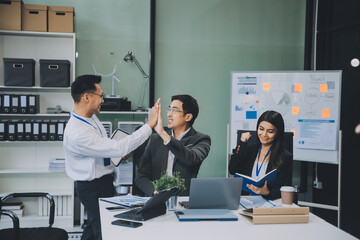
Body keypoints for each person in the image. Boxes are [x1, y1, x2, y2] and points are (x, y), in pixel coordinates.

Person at [63, 74, 160, 240]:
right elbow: (117, 146)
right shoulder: (77, 133)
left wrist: (119, 156)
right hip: (92, 187)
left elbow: (104, 147)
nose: (103, 100)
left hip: (103, 182)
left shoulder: (91, 118)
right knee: (105, 230)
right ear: (86, 97)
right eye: (101, 95)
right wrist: (149, 125)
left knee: (94, 227)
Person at [135, 94, 211, 196]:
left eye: (174, 110)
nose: (169, 114)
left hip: (183, 201)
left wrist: (163, 134)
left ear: (188, 117)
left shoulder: (201, 139)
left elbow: (191, 158)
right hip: (155, 201)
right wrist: (154, 192)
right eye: (169, 109)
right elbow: (141, 176)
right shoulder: (155, 139)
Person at [228, 110, 292, 200]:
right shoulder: (249, 149)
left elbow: (286, 189)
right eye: (261, 129)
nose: (264, 134)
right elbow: (232, 169)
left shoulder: (285, 156)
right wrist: (242, 143)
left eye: (270, 131)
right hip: (245, 200)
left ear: (277, 133)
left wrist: (267, 192)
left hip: (268, 203)